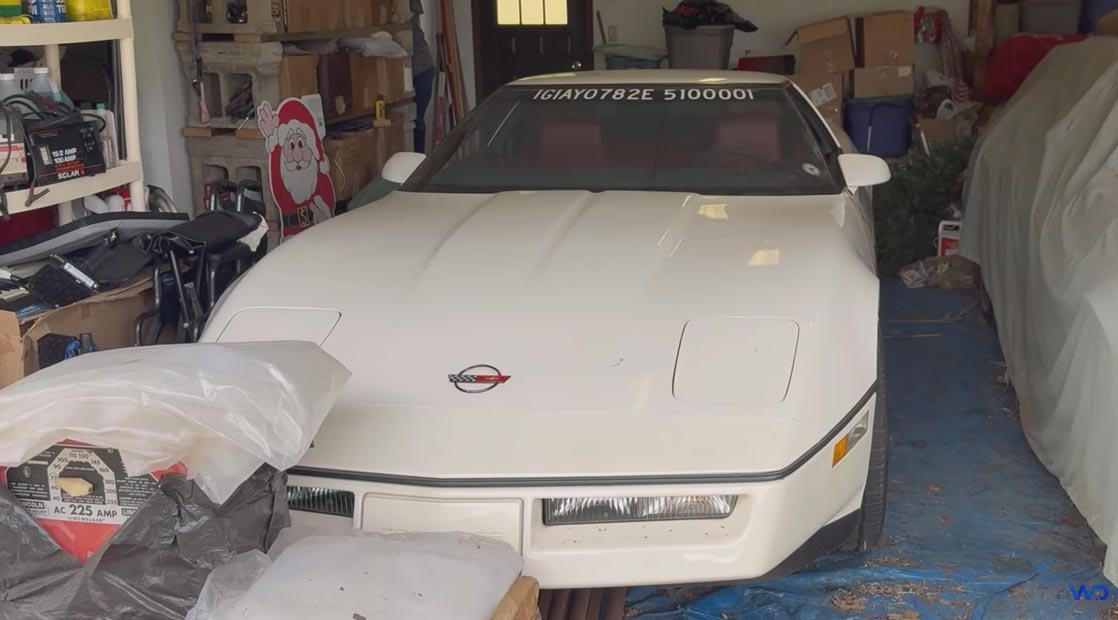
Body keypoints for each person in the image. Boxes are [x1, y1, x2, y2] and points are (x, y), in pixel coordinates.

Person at [411, 0, 435, 154]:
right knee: (413, 119)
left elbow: (408, 16)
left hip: (421, 69)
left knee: (416, 119)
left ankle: (418, 165)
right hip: (414, 69)